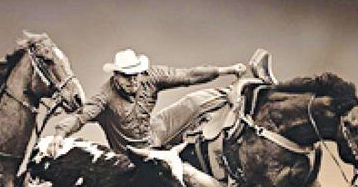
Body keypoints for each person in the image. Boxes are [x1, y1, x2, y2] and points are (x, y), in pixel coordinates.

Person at [48, 48, 273, 157]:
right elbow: (81, 116)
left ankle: (254, 91)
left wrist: (227, 70)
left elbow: (188, 75)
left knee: (193, 101)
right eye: (127, 76)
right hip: (132, 154)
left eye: (136, 74)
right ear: (116, 76)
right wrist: (59, 134)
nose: (133, 81)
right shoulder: (104, 97)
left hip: (155, 131)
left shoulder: (150, 77)